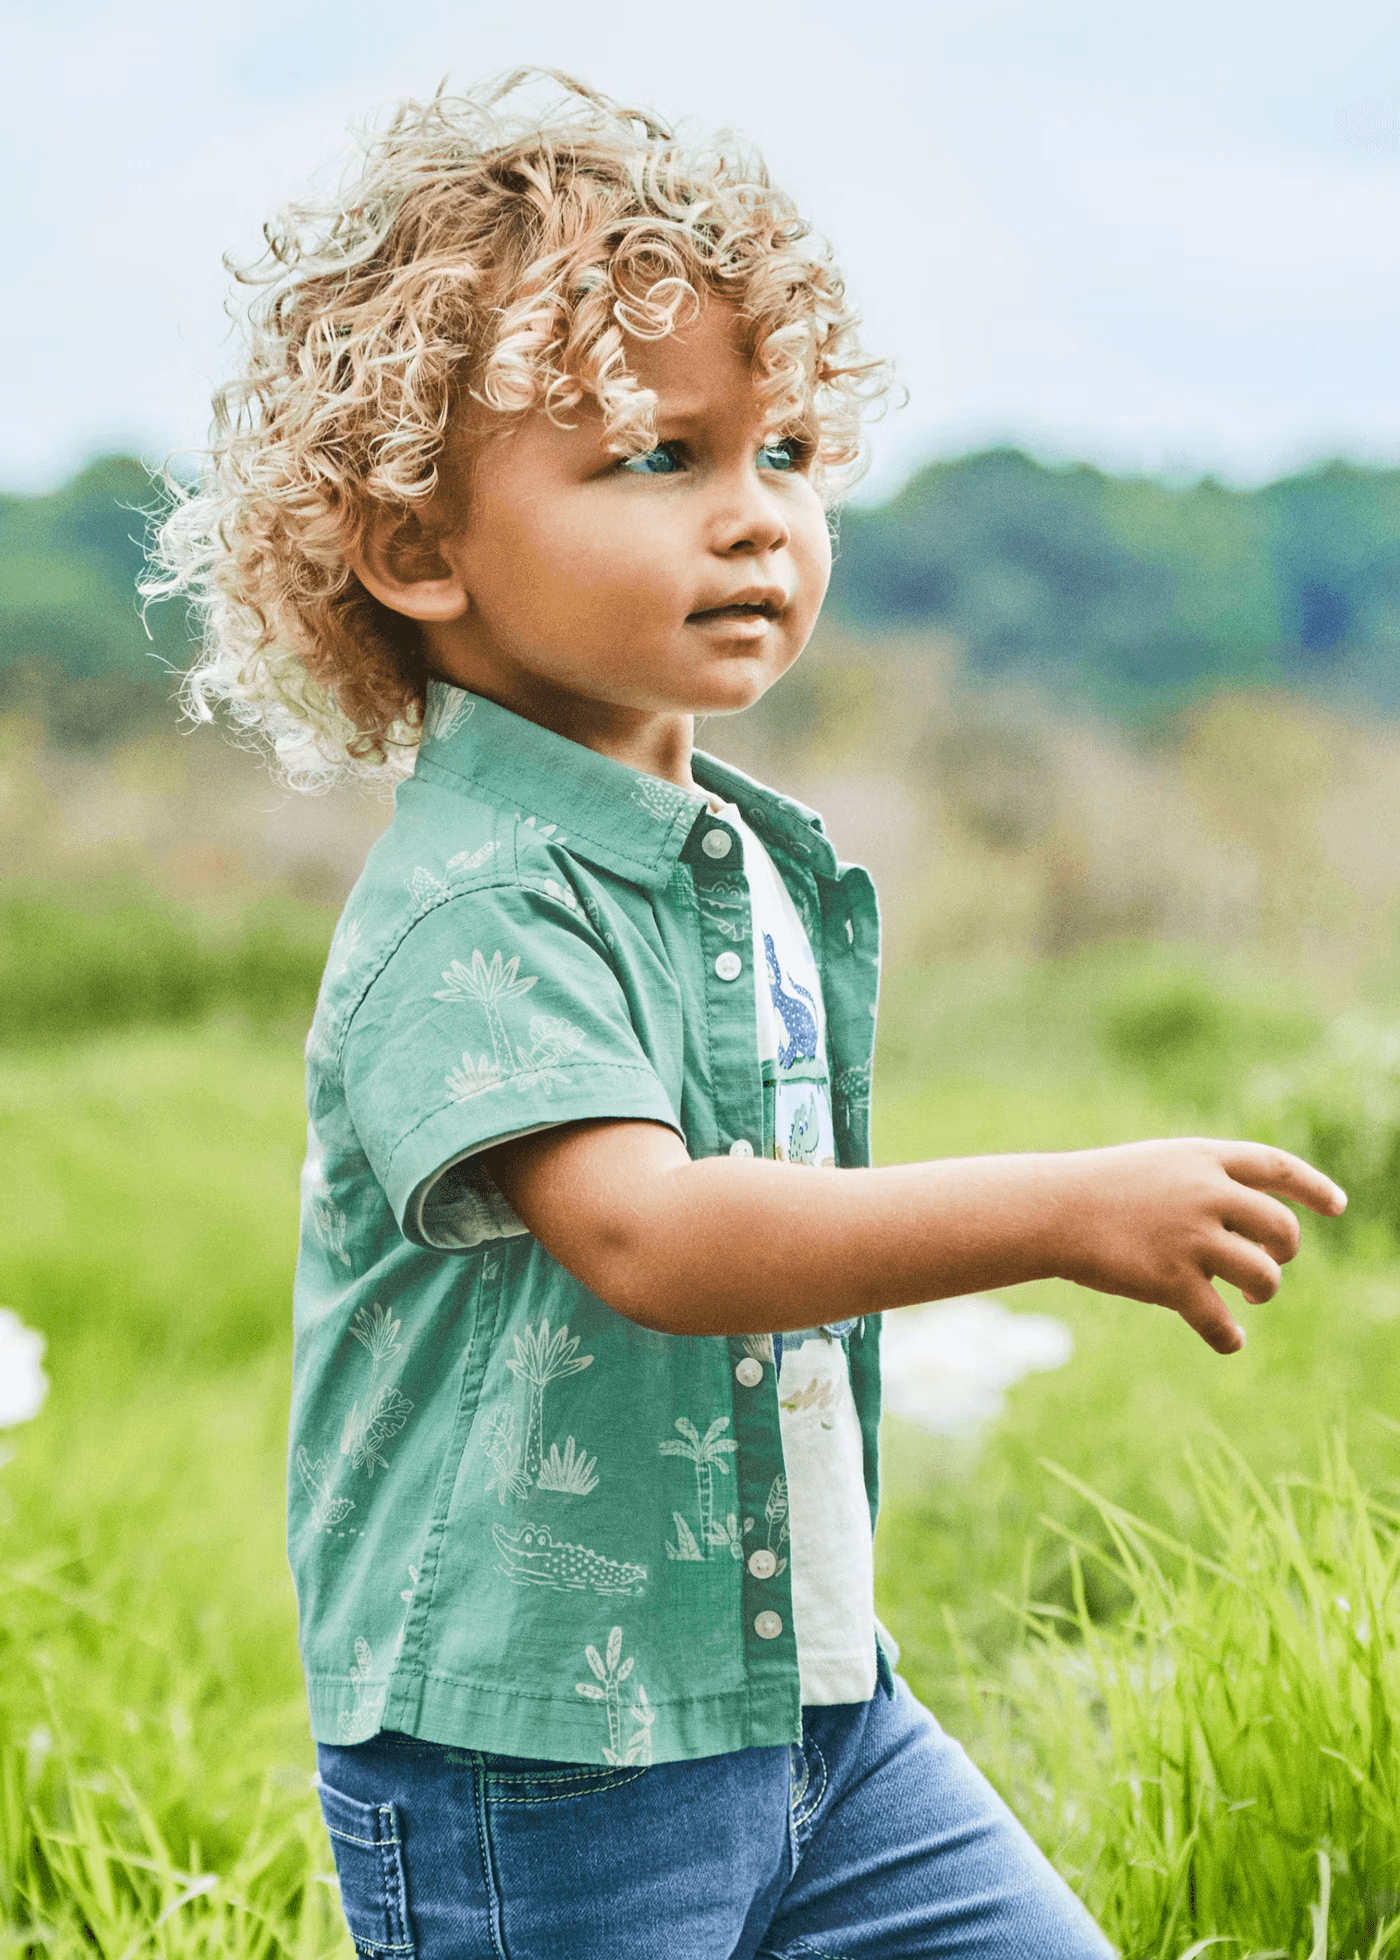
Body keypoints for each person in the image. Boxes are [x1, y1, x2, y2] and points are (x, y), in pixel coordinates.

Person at [148, 70, 1345, 1960]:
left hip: (811, 1711)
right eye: (656, 458)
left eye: (784, 454)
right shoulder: (481, 896)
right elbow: (656, 1235)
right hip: (531, 1770)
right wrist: (1061, 1211)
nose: (752, 523)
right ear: (415, 548)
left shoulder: (738, 860)